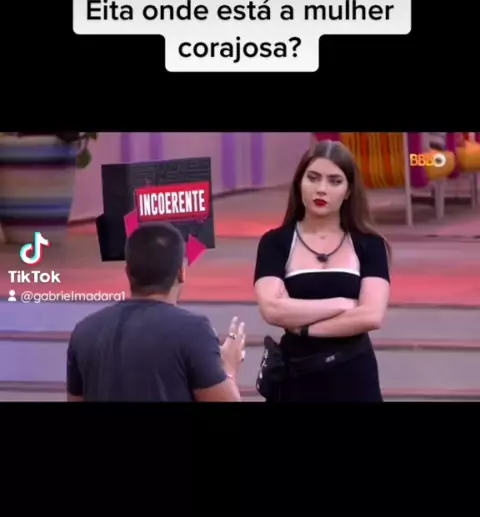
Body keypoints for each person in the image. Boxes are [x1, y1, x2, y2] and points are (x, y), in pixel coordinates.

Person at [254, 139, 391, 403]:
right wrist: (341, 304)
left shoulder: (370, 244)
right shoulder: (275, 242)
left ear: (348, 191)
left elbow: (372, 315)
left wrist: (304, 328)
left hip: (353, 374)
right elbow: (272, 309)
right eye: (313, 178)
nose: (321, 189)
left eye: (334, 181)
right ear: (299, 183)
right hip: (296, 375)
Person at [67, 222, 246, 402]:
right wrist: (228, 367)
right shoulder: (193, 331)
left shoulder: (84, 332)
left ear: (128, 273)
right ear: (181, 273)